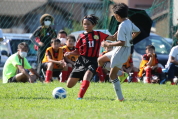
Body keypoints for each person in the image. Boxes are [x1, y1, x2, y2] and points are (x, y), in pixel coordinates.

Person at [64, 14, 117, 100]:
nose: (86, 26)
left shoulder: (98, 34)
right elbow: (77, 51)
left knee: (88, 75)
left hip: (93, 61)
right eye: (84, 24)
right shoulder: (80, 36)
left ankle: (80, 97)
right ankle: (82, 79)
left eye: (88, 24)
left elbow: (113, 38)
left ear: (93, 25)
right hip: (81, 61)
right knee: (69, 85)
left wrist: (120, 29)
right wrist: (70, 53)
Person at [98, 3, 140, 101]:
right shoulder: (128, 21)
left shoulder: (122, 25)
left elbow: (121, 42)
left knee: (112, 75)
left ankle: (120, 98)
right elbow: (137, 31)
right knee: (100, 60)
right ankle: (121, 74)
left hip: (122, 51)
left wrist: (108, 45)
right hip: (120, 49)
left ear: (117, 16)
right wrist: (129, 39)